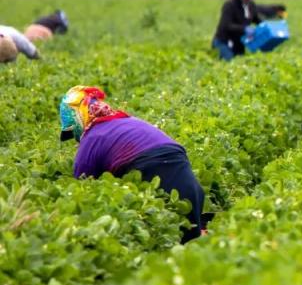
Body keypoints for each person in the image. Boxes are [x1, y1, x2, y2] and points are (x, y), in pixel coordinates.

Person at [59, 86, 207, 243]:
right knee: (191, 234)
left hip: (149, 166)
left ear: (77, 117)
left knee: (163, 240)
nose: (74, 137)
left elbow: (82, 190)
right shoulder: (127, 120)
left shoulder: (91, 140)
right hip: (179, 162)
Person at [212, 0, 287, 61]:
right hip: (224, 42)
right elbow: (226, 25)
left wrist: (268, 27)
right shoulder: (229, 5)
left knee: (240, 63)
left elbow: (256, 20)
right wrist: (244, 29)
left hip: (239, 43)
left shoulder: (251, 5)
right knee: (229, 61)